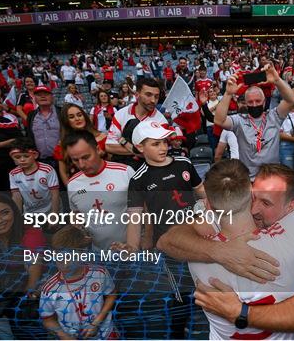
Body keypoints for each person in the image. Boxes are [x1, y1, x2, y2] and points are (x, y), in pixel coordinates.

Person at [158, 164, 294, 333]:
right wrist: (221, 252)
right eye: (255, 197)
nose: (255, 210)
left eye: (266, 203)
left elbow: (168, 240)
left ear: (208, 204)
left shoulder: (196, 257)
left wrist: (239, 312)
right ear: (249, 194)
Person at [124, 121, 203, 249]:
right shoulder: (138, 180)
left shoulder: (184, 163)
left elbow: (200, 189)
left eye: (165, 142)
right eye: (156, 144)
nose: (164, 148)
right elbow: (135, 219)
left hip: (196, 234)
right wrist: (131, 247)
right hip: (167, 243)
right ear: (140, 147)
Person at [214, 63, 294, 179]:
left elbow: (291, 100)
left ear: (264, 102)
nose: (254, 104)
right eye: (250, 102)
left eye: (258, 101)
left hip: (271, 177)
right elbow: (219, 120)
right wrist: (228, 94)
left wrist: (277, 80)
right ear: (246, 104)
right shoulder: (239, 120)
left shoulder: (274, 116)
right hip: (248, 179)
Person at [0, 192, 45, 339]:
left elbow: (33, 280)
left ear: (14, 212)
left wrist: (15, 302)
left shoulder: (30, 233)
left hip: (30, 289)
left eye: (4, 213)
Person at [40, 225, 119, 340]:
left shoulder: (99, 274)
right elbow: (47, 319)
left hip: (105, 335)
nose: (65, 264)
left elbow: (111, 294)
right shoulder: (49, 289)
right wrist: (65, 337)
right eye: (60, 258)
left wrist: (97, 322)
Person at [66, 130, 134, 251]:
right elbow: (76, 215)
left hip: (130, 251)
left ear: (98, 150)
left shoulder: (125, 172)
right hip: (97, 254)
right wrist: (79, 230)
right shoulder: (72, 184)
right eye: (75, 160)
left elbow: (145, 210)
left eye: (86, 157)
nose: (81, 165)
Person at [106, 78, 168, 170]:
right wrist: (142, 151)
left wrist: (125, 143)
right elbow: (109, 146)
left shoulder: (161, 121)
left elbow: (158, 153)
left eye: (156, 96)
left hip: (150, 170)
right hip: (124, 168)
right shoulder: (121, 114)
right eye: (148, 95)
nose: (153, 100)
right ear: (137, 94)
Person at [55, 103, 107, 185]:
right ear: (66, 121)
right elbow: (63, 172)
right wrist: (71, 190)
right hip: (80, 186)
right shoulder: (62, 144)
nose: (77, 119)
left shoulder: (103, 138)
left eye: (79, 115)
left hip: (106, 182)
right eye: (71, 117)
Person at [9, 137, 59, 218]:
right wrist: (17, 217)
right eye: (17, 157)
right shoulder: (13, 174)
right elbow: (16, 196)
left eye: (26, 156)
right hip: (30, 212)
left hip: (50, 210)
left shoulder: (47, 170)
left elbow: (55, 194)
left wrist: (54, 215)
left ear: (35, 155)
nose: (22, 160)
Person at [25, 85, 61, 169]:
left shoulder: (62, 112)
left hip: (61, 159)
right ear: (35, 98)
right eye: (39, 94)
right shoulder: (31, 115)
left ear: (52, 97)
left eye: (46, 94)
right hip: (39, 161)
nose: (42, 96)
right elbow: (29, 136)